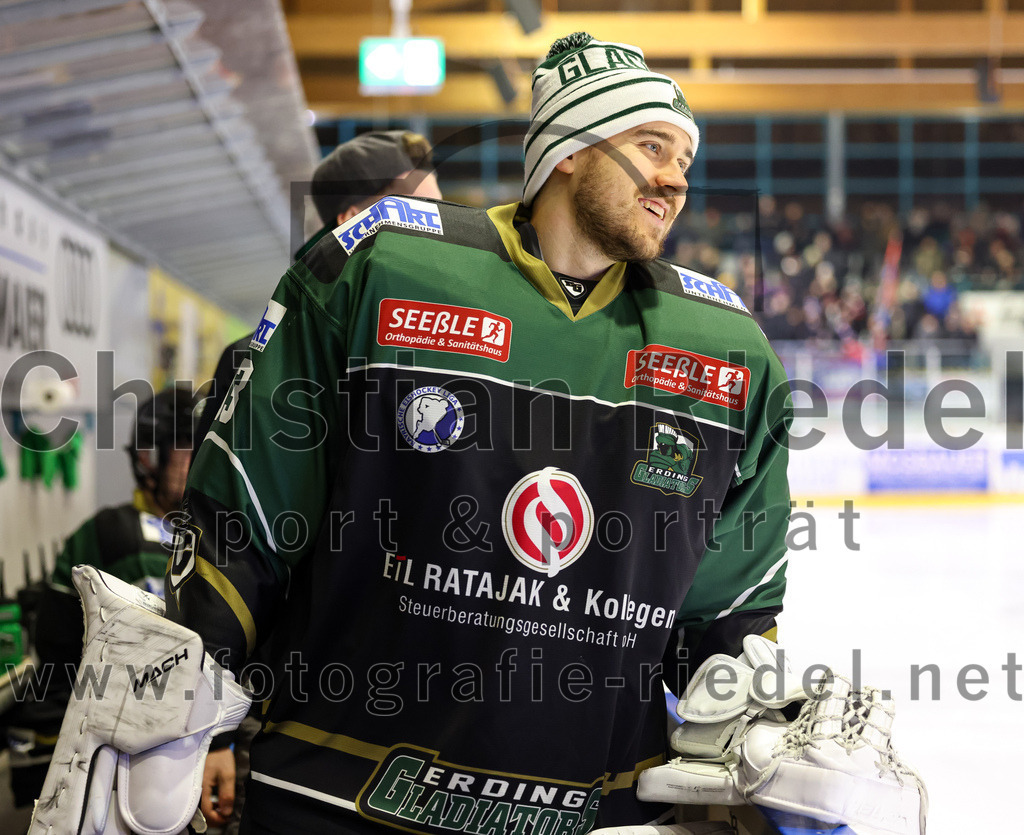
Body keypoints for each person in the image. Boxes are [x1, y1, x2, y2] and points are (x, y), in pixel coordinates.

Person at [172, 32, 793, 831]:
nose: (675, 178)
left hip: (594, 811)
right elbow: (247, 512)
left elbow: (727, 610)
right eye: (651, 146)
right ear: (567, 150)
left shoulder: (727, 350)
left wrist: (761, 723)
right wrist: (195, 715)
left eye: (684, 158)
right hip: (338, 792)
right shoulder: (384, 266)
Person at [191, 130, 444, 831]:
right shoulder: (263, 361)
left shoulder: (467, 354)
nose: (442, 227)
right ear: (350, 225)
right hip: (309, 718)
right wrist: (211, 729)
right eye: (419, 209)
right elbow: (234, 540)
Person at [6, 386, 196, 811]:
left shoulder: (219, 539)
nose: (200, 466)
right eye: (188, 451)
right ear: (150, 457)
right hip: (122, 746)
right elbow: (57, 651)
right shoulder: (114, 535)